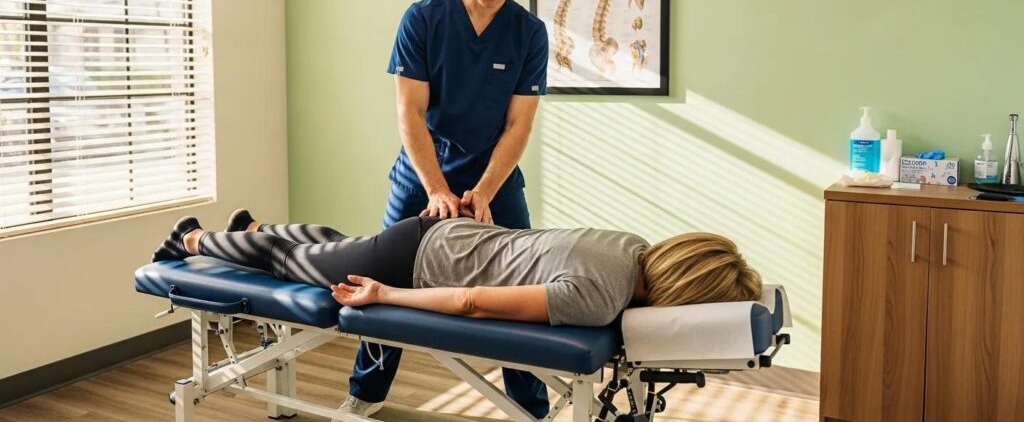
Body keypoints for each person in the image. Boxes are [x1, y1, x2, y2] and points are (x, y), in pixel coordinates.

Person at [373, 0, 549, 417]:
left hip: (494, 176)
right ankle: (364, 396)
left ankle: (531, 408)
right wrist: (435, 188)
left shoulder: (529, 33)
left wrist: (487, 190)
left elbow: (519, 126)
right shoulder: (423, 19)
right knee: (387, 279)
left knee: (521, 286)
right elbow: (410, 112)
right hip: (422, 173)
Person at [153, 209, 763, 329]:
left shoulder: (631, 243)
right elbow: (472, 305)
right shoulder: (597, 303)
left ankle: (251, 230)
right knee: (294, 263)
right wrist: (385, 294)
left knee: (331, 244)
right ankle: (194, 239)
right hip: (419, 262)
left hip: (448, 233)